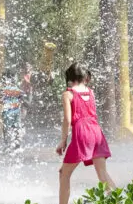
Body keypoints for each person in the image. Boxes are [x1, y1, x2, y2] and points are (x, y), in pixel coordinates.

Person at [56, 63, 114, 204]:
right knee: (102, 174)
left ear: (70, 78)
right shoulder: (90, 92)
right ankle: (120, 201)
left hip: (82, 133)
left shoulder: (68, 94)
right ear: (84, 77)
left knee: (64, 173)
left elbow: (67, 120)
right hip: (96, 132)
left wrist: (63, 140)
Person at [1, 70, 25, 153]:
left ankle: (7, 145)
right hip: (16, 111)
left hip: (7, 112)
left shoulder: (3, 89)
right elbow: (22, 98)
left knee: (7, 129)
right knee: (17, 128)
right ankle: (17, 146)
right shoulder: (17, 89)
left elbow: (0, 100)